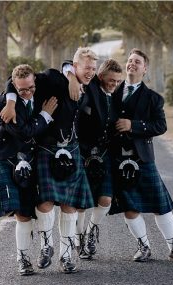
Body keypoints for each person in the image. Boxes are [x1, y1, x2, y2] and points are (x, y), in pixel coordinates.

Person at [0, 48, 99, 273]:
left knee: (69, 205)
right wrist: (11, 102)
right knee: (44, 203)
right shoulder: (54, 78)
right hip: (47, 148)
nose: (91, 72)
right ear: (74, 66)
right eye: (86, 68)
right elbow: (14, 79)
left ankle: (66, 256)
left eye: (94, 68)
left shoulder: (91, 85)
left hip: (72, 148)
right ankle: (47, 247)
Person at [109, 48, 173, 265]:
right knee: (130, 207)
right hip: (117, 158)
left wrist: (133, 125)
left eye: (137, 62)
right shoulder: (111, 93)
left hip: (143, 158)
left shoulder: (153, 98)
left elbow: (160, 126)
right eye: (129, 61)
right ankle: (143, 246)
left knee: (160, 205)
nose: (131, 64)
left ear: (145, 69)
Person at [0, 64, 57, 275]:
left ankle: (23, 260)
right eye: (22, 90)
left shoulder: (35, 90)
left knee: (24, 212)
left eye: (31, 87)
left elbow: (57, 74)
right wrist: (46, 115)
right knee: (7, 208)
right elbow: (25, 131)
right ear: (14, 87)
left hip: (29, 158)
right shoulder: (4, 105)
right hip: (5, 156)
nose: (28, 92)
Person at [66, 58, 124, 260]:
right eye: (111, 81)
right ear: (100, 77)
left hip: (106, 155)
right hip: (85, 153)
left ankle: (91, 232)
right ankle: (80, 240)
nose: (114, 85)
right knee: (82, 204)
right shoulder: (90, 89)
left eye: (117, 81)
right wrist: (72, 77)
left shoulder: (117, 94)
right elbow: (69, 62)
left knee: (105, 199)